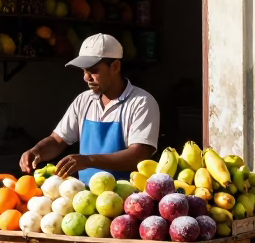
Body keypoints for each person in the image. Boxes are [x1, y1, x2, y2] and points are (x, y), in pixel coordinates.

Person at [19, 34, 160, 185]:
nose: (86, 77)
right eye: (84, 71)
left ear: (115, 67)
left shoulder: (141, 102)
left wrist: (89, 160)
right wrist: (36, 151)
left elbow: (138, 155)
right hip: (86, 198)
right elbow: (57, 140)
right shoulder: (83, 100)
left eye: (93, 70)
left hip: (127, 200)